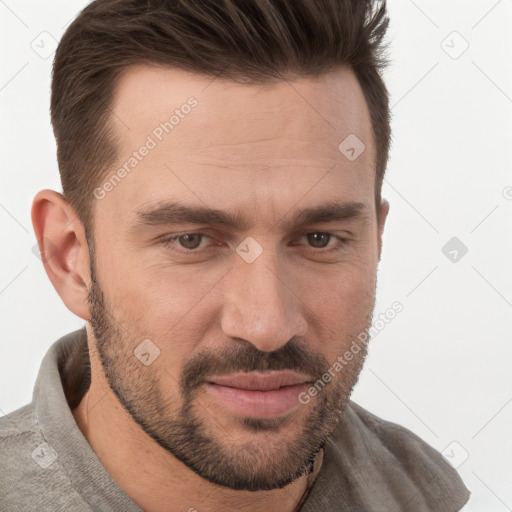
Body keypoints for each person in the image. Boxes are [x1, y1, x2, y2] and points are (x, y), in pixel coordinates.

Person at [0, 0, 470, 510]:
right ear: (71, 257)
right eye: (191, 241)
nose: (267, 324)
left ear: (376, 240)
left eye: (320, 239)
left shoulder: (424, 494)